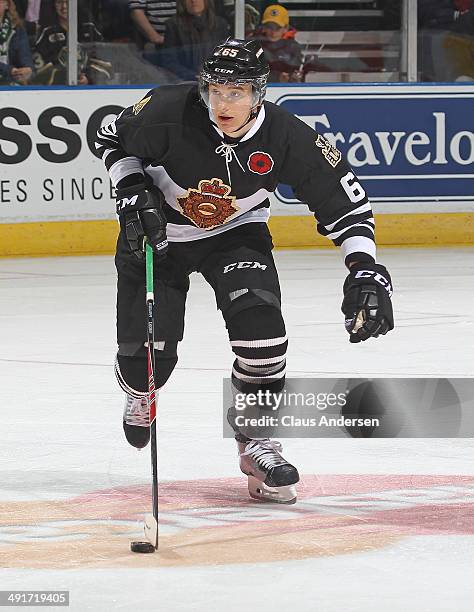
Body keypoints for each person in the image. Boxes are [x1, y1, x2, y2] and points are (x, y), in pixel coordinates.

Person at [95, 38, 394, 504]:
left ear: (259, 93)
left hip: (236, 235)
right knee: (146, 362)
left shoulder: (286, 135)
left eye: (235, 92)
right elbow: (109, 135)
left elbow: (345, 204)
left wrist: (364, 267)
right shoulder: (168, 109)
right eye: (214, 90)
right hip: (156, 236)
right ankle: (140, 391)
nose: (222, 103)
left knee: (263, 336)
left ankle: (257, 443)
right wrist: (132, 188)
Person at [32, 0, 109, 85]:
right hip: (57, 90)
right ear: (54, 5)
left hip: (90, 90)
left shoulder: (89, 28)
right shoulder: (47, 32)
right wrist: (62, 77)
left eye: (67, 2)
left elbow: (106, 63)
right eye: (59, 2)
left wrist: (88, 78)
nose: (64, 6)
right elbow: (38, 70)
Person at [161, 0, 229, 80]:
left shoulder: (220, 24)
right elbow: (169, 61)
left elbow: (226, 57)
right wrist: (192, 76)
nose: (193, 1)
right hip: (183, 81)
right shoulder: (173, 25)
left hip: (215, 79)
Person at [252, 4, 303, 82]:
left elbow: (298, 72)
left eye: (277, 28)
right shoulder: (254, 45)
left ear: (286, 28)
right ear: (264, 27)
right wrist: (276, 78)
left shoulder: (294, 47)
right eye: (269, 27)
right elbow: (250, 73)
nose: (273, 32)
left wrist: (293, 78)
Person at [0, 0, 34, 85]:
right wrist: (9, 70)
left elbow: (25, 55)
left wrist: (27, 69)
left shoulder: (17, 29)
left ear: (7, 5)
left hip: (10, 81)